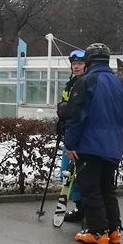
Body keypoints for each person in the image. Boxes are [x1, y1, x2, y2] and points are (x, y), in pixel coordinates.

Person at [64, 42, 123, 244]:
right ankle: (114, 231)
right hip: (113, 144)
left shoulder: (86, 82)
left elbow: (75, 117)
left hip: (88, 145)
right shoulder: (121, 84)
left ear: (88, 61)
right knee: (108, 188)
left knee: (90, 190)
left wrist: (70, 144)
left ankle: (97, 232)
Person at [56, 49, 87, 223]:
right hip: (69, 133)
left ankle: (84, 208)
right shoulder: (71, 83)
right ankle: (79, 205)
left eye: (80, 64)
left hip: (80, 137)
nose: (76, 67)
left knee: (79, 175)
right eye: (74, 64)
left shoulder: (86, 83)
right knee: (66, 174)